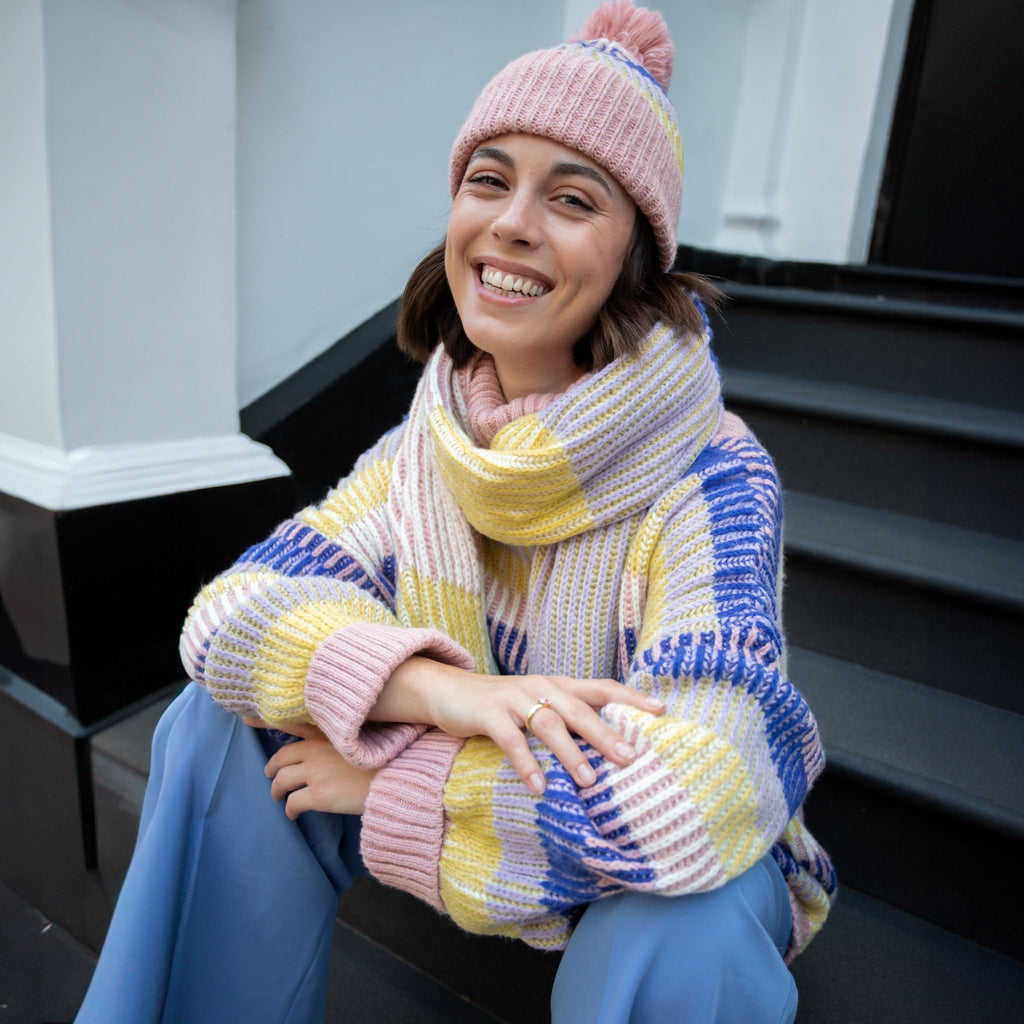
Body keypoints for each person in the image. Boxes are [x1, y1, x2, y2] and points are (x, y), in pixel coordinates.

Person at [76, 2, 835, 1021]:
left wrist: (403, 779)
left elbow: (690, 803)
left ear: (633, 256)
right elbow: (227, 616)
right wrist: (437, 691)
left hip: (649, 861)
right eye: (490, 180)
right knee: (217, 727)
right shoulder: (429, 446)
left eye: (571, 198)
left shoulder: (714, 481)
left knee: (682, 920)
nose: (513, 221)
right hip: (520, 811)